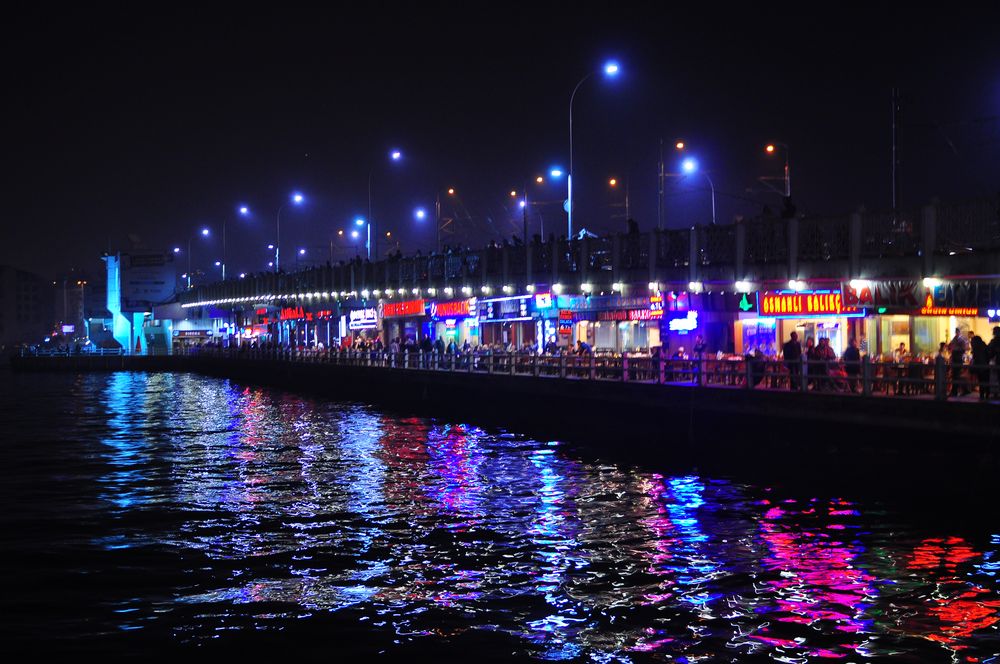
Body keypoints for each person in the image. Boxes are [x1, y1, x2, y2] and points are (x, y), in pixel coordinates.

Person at [949, 327, 969, 397]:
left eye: (957, 332)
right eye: (956, 332)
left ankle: (956, 391)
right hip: (956, 359)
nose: (957, 333)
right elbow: (950, 347)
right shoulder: (955, 340)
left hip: (957, 359)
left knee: (956, 376)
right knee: (956, 376)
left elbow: (963, 349)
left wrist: (956, 349)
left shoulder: (960, 340)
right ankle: (961, 390)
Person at [970, 334, 990, 401]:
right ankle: (986, 395)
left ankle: (982, 396)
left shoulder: (977, 349)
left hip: (981, 366)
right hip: (985, 366)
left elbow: (977, 358)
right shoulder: (984, 346)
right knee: (985, 381)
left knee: (982, 381)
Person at [987, 326, 1000, 402]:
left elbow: (990, 351)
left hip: (997, 361)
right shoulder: (994, 341)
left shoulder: (994, 341)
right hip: (997, 360)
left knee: (996, 378)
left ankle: (996, 394)